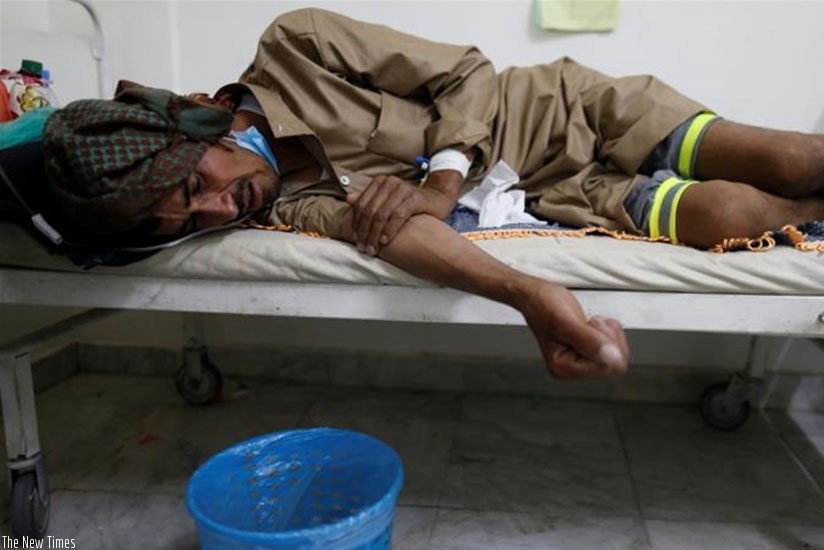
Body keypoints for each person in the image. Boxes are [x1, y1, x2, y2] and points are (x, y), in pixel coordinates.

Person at [38, 9, 824, 380]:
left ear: (196, 119)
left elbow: (468, 71)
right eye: (186, 221)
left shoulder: (296, 45)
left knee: (790, 158)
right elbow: (388, 233)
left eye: (195, 185)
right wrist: (531, 296)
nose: (219, 211)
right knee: (728, 216)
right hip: (560, 193)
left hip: (565, 112)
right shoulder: (283, 206)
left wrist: (443, 182)